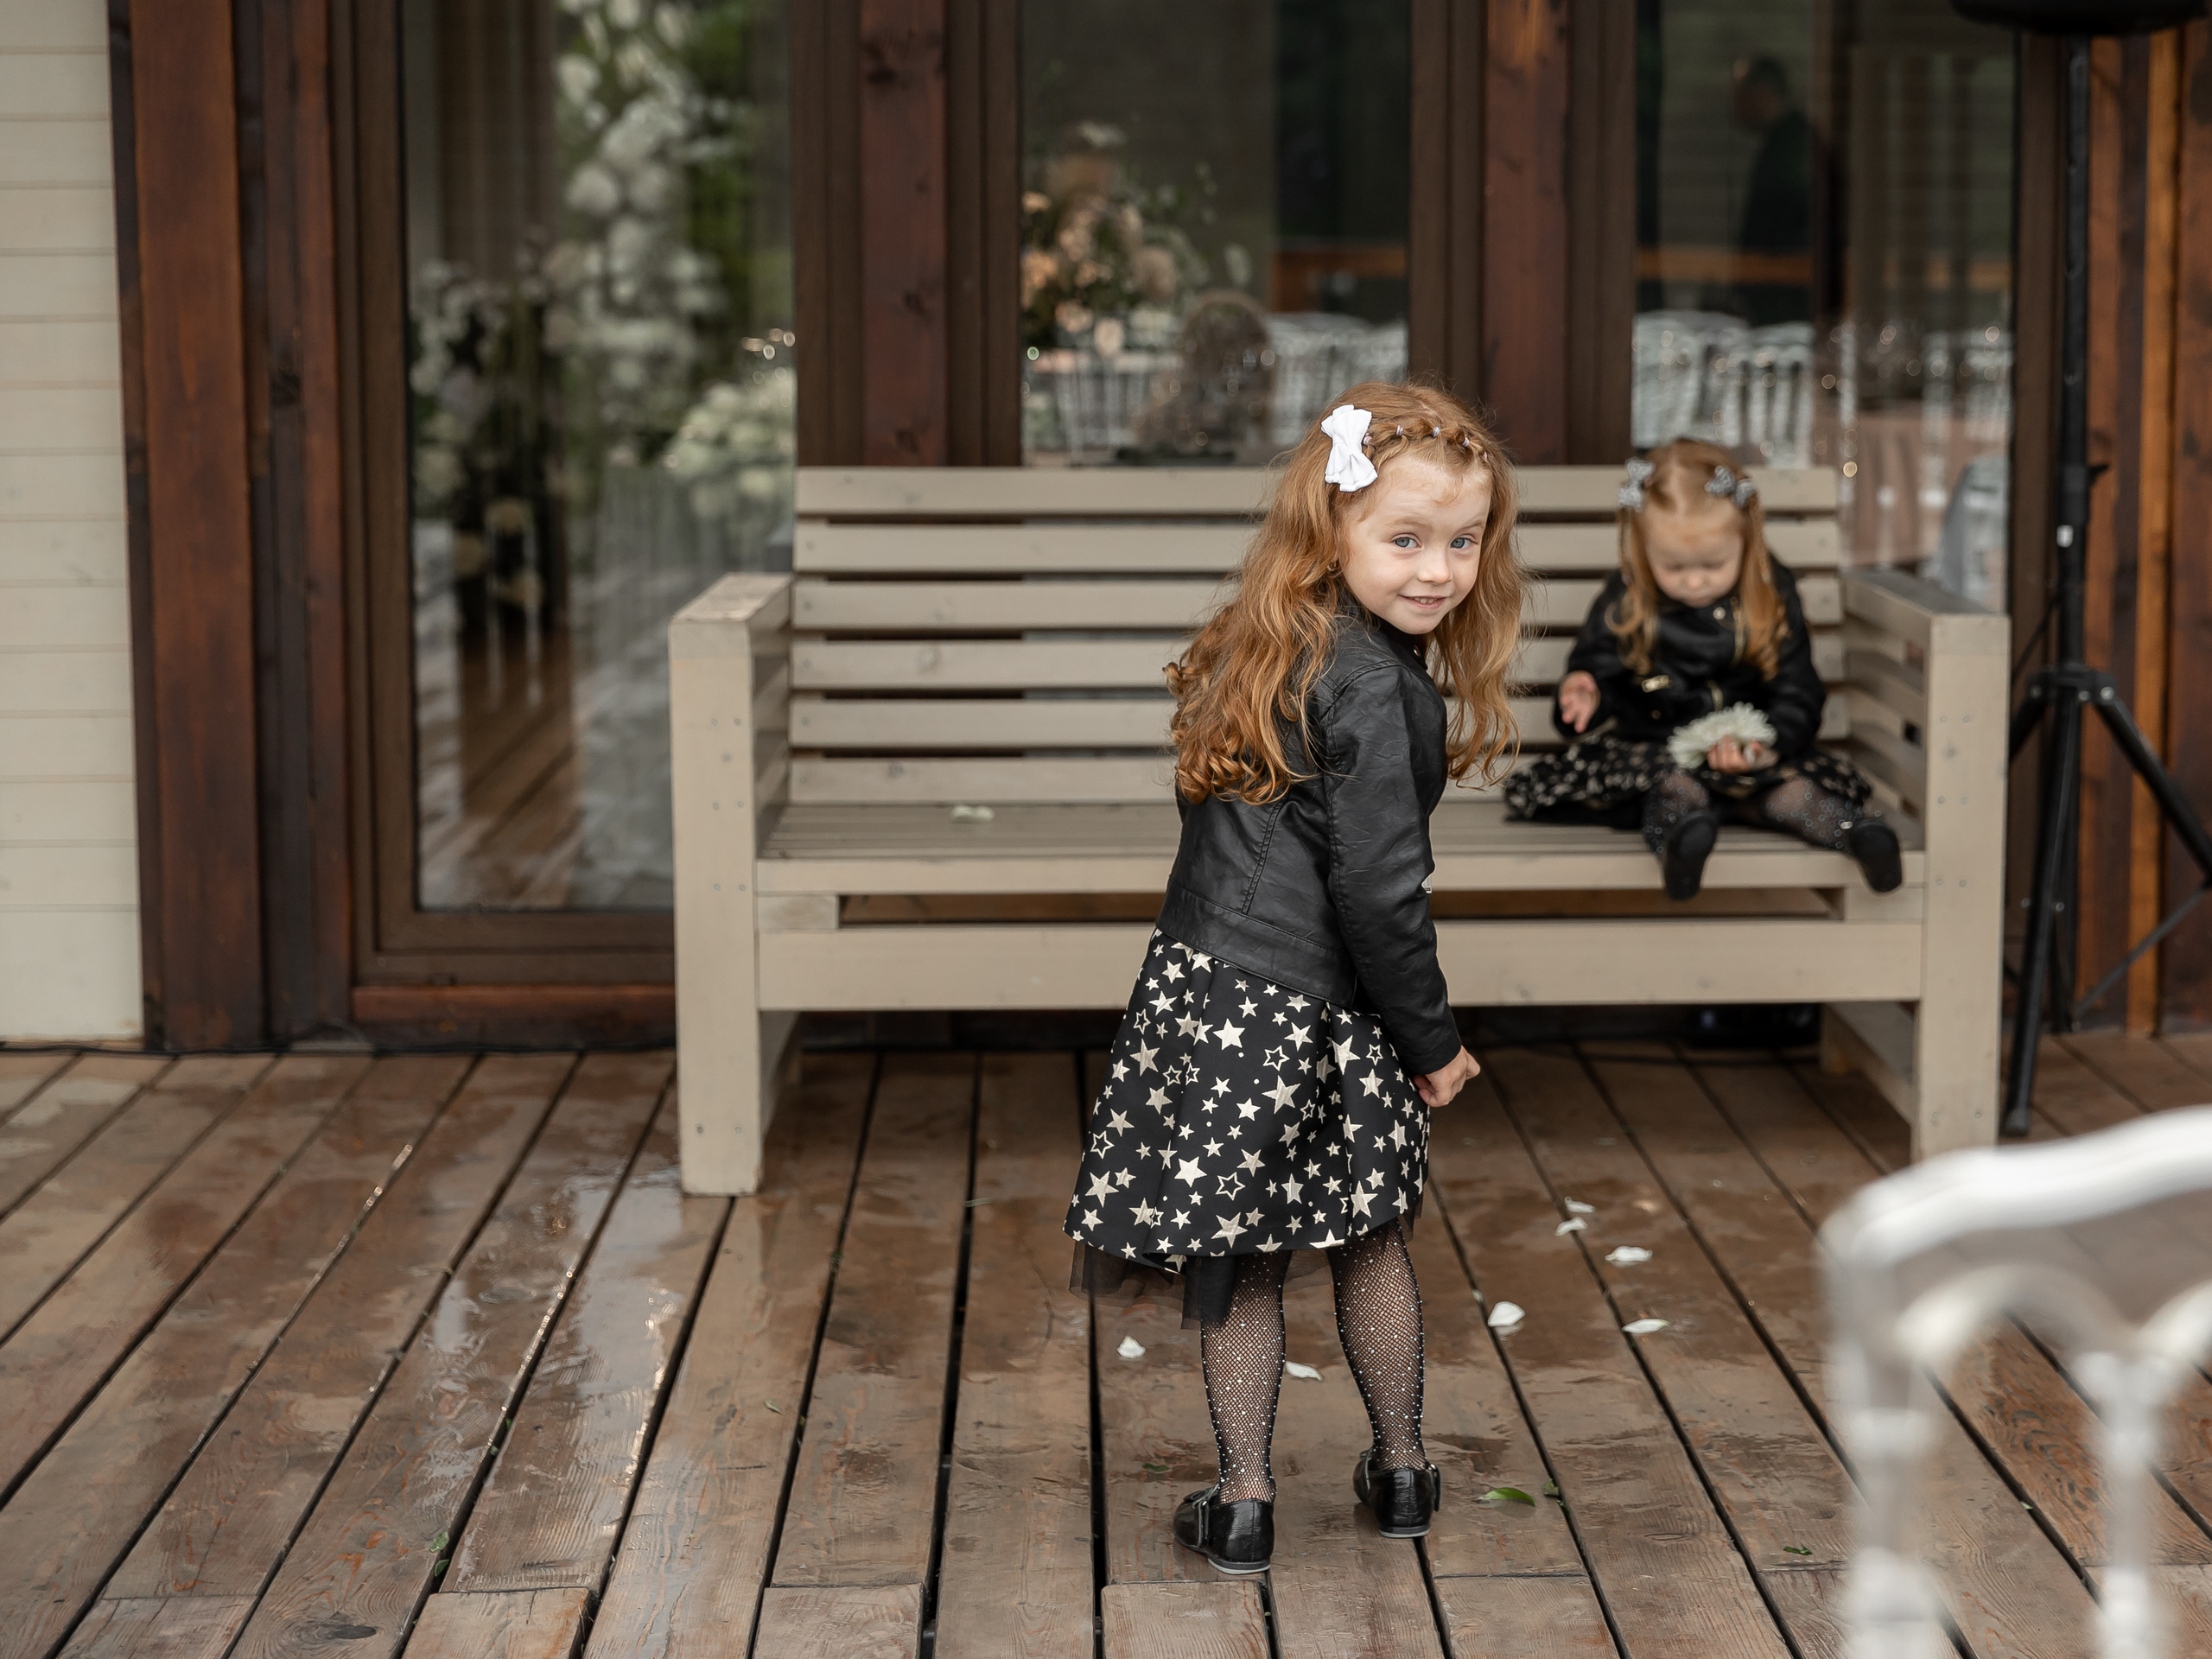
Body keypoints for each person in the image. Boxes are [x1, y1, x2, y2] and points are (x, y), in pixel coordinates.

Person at [1063, 381, 1522, 1575]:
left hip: (1213, 986)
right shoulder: (1379, 684)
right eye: (1406, 538)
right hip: (1316, 1005)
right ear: (1334, 529)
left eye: (1463, 541)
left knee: (1245, 1256)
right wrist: (1431, 1041)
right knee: (1368, 1241)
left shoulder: (1262, 635)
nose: (1439, 570)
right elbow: (1379, 895)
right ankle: (1407, 1468)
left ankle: (1245, 1498)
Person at [1505, 438, 1901, 901]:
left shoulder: (1770, 594)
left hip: (1751, 755)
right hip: (1658, 750)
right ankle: (1682, 846)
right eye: (1673, 567)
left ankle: (1859, 835)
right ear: (1641, 548)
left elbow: (1799, 691)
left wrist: (1765, 746)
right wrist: (1586, 693)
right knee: (1673, 787)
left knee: (1791, 793)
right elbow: (1598, 671)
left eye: (1713, 564)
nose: (1694, 582)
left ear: (1747, 542)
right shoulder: (1627, 598)